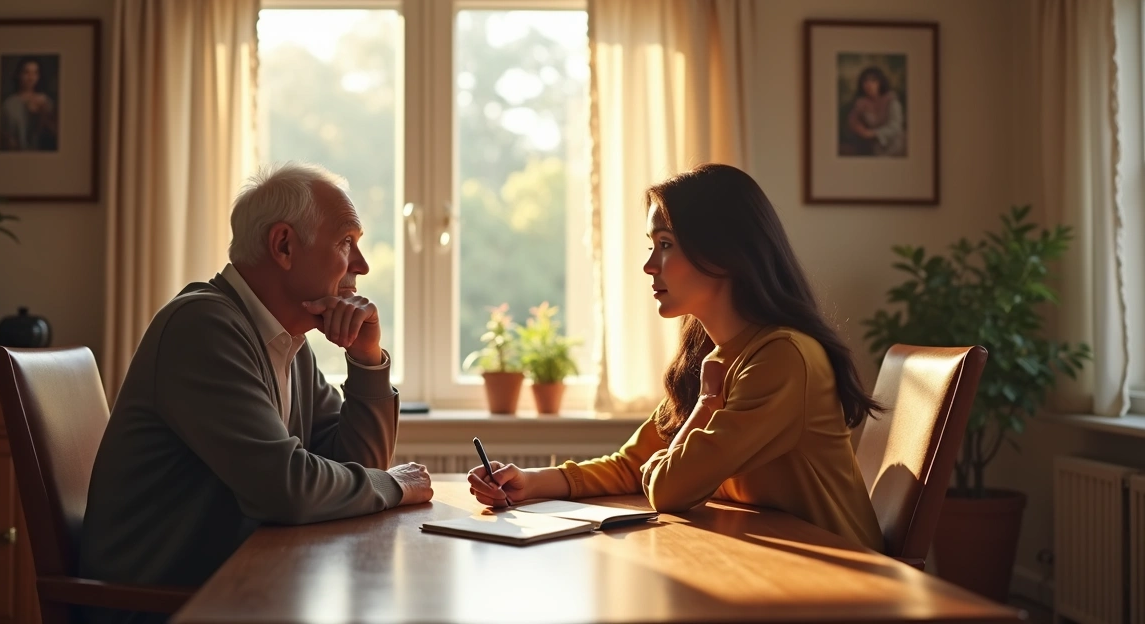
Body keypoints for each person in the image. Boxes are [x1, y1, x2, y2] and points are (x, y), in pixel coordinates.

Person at [80, 162, 433, 624]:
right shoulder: (203, 327)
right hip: (165, 606)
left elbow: (359, 466)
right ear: (284, 245)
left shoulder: (289, 342)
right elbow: (286, 490)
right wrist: (395, 485)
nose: (361, 266)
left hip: (236, 587)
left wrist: (367, 359)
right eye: (346, 242)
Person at [467, 163, 885, 552]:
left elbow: (667, 487)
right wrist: (530, 482)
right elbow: (635, 465)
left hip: (846, 582)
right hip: (775, 567)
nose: (650, 265)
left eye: (665, 244)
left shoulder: (782, 359)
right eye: (651, 245)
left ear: (724, 253)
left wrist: (702, 409)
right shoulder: (713, 355)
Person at [844, 65, 905, 157]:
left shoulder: (891, 100)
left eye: (873, 81)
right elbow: (852, 121)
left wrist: (872, 133)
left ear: (880, 82)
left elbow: (895, 127)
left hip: (893, 145)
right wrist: (858, 127)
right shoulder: (861, 102)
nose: (869, 85)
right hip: (871, 147)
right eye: (865, 81)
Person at [0, 57, 58, 151]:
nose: (31, 78)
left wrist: (42, 113)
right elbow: (4, 137)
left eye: (35, 73)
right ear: (18, 74)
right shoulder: (8, 104)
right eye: (26, 72)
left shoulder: (45, 101)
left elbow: (56, 134)